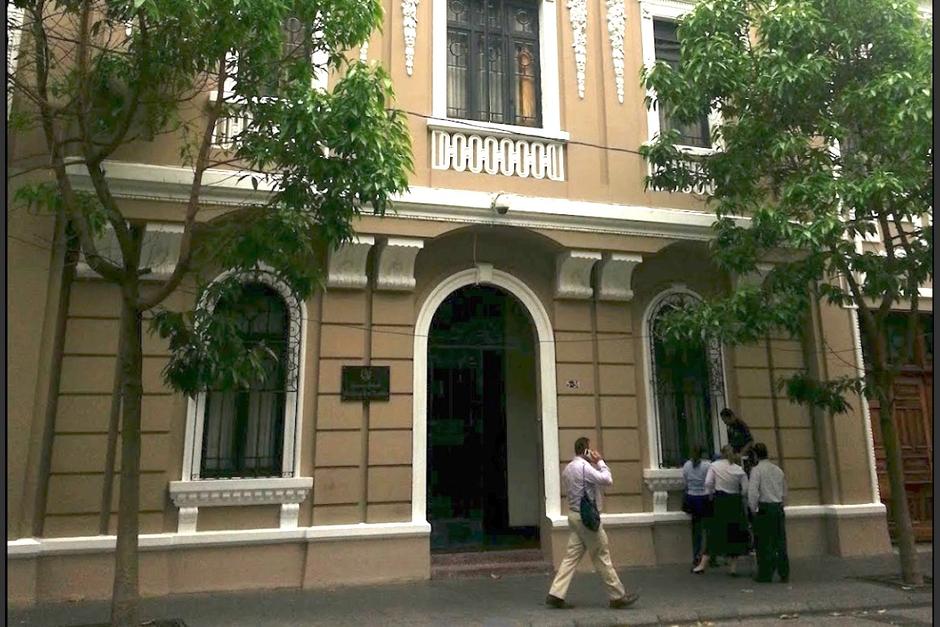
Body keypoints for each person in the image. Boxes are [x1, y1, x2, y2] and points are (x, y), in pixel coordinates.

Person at [546, 437, 639, 610]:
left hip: (574, 516)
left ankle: (556, 593)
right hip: (587, 519)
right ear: (585, 450)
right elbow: (607, 480)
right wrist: (600, 461)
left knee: (571, 557)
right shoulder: (584, 467)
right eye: (590, 449)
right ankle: (617, 596)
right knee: (601, 555)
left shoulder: (568, 469)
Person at [693, 445, 749, 575]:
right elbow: (745, 489)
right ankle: (733, 568)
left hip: (720, 501)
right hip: (735, 503)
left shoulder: (715, 466)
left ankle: (702, 565)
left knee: (715, 533)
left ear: (721, 454)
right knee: (734, 534)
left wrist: (711, 493)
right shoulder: (739, 469)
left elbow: (708, 483)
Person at [747, 442, 790, 583]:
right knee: (780, 541)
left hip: (764, 509)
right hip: (777, 508)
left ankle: (765, 573)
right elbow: (784, 491)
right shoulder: (777, 470)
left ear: (755, 455)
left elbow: (753, 493)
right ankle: (784, 572)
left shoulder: (756, 470)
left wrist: (753, 510)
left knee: (764, 543)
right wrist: (781, 504)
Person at [681, 444, 712, 571]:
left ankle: (696, 555)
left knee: (696, 530)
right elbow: (710, 482)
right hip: (704, 498)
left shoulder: (687, 465)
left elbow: (685, 481)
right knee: (708, 529)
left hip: (691, 498)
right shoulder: (707, 465)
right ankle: (708, 556)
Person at [720, 408, 755, 474]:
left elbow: (750, 441)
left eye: (725, 420)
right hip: (736, 457)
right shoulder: (730, 428)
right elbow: (731, 443)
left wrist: (741, 453)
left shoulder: (741, 425)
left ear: (730, 417)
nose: (724, 422)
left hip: (746, 457)